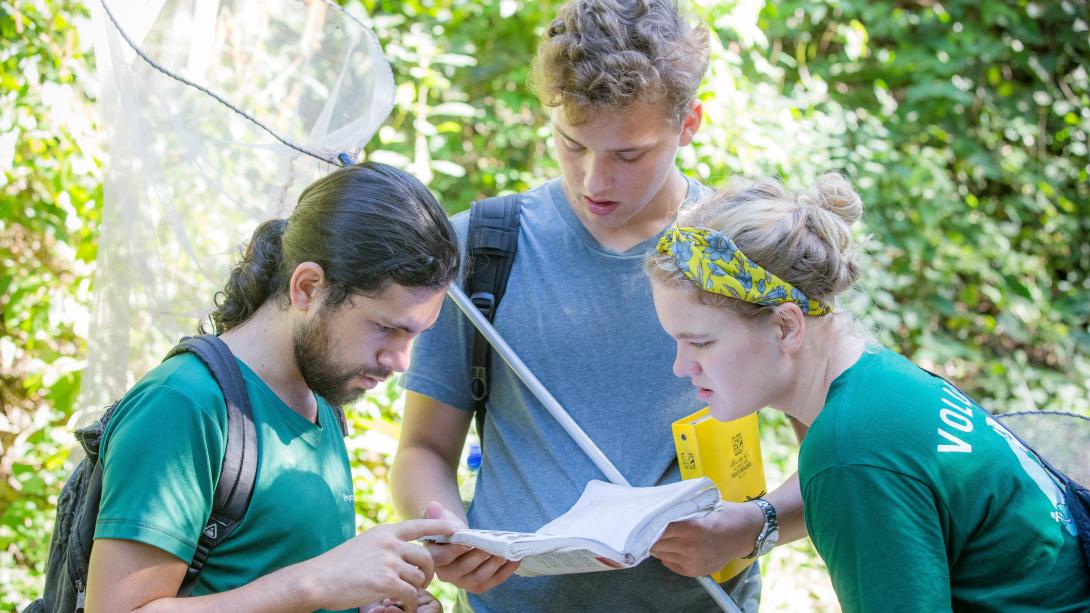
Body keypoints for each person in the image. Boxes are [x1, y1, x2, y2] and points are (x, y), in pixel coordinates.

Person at [390, 1, 806, 610]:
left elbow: (840, 455)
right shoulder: (482, 246)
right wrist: (449, 533)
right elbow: (422, 449)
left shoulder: (745, 251)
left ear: (689, 123)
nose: (593, 181)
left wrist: (753, 526)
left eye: (628, 155)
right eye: (571, 144)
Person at [646, 173, 1090, 612]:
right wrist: (756, 524)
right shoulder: (879, 380)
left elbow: (861, 469)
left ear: (786, 326)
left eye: (701, 343)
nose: (681, 366)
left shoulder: (849, 453)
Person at [86, 163, 460, 613]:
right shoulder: (184, 404)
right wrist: (314, 584)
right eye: (385, 328)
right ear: (308, 287)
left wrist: (364, 602)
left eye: (415, 336)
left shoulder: (319, 399)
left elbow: (269, 582)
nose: (400, 361)